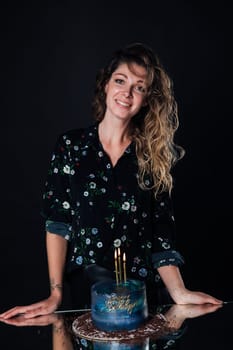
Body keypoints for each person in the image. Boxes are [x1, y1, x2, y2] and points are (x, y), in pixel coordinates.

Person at [0, 42, 222, 320]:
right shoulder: (71, 146)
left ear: (146, 99)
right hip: (87, 298)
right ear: (105, 84)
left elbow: (161, 236)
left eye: (139, 87)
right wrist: (55, 294)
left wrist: (179, 292)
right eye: (120, 81)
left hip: (143, 300)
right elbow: (58, 223)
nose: (127, 93)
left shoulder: (151, 156)